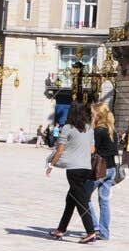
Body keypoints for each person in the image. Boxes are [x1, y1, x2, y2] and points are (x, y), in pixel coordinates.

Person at [46, 101, 99, 243]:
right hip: (86, 168)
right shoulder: (89, 129)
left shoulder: (68, 128)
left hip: (74, 169)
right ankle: (61, 229)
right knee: (71, 199)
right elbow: (92, 150)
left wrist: (51, 164)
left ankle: (91, 232)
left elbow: (60, 150)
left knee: (81, 201)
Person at [89, 104, 119, 241]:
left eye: (92, 113)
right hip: (111, 169)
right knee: (104, 202)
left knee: (84, 197)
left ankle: (95, 227)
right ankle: (104, 232)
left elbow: (92, 150)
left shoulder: (98, 131)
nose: (91, 115)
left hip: (100, 169)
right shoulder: (112, 130)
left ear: (98, 115)